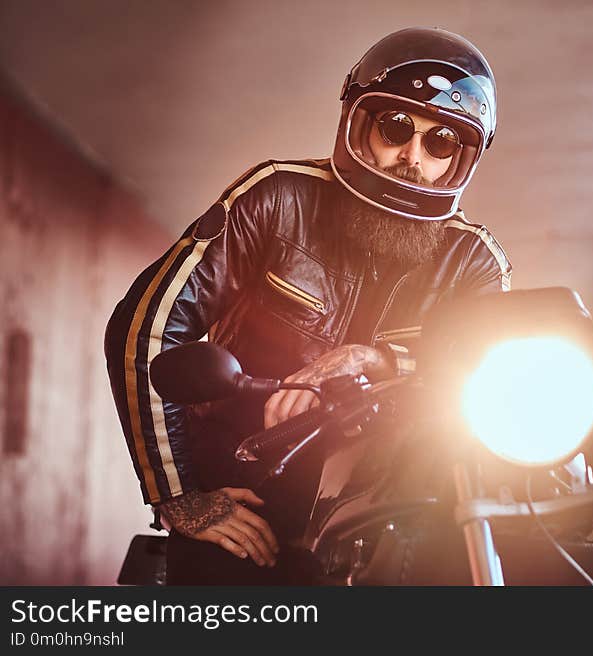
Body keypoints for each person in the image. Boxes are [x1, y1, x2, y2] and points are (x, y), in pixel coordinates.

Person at [104, 26, 511, 585]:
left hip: (392, 505)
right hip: (249, 489)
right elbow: (147, 327)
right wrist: (178, 495)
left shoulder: (475, 261)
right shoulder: (276, 196)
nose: (413, 156)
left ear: (460, 156)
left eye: (440, 141)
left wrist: (381, 361)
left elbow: (491, 375)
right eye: (396, 128)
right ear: (358, 124)